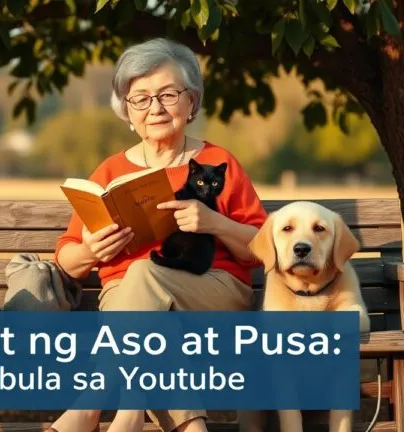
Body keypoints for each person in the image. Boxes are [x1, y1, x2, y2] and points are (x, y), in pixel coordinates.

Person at [46, 37, 268, 432]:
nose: (155, 108)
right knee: (156, 326)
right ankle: (169, 423)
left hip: (211, 291)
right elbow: (66, 258)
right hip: (130, 308)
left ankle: (90, 408)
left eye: (168, 94)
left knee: (143, 274)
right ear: (127, 111)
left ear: (192, 102)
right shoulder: (111, 171)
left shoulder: (218, 164)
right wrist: (91, 250)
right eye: (141, 99)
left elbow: (261, 249)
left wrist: (214, 222)